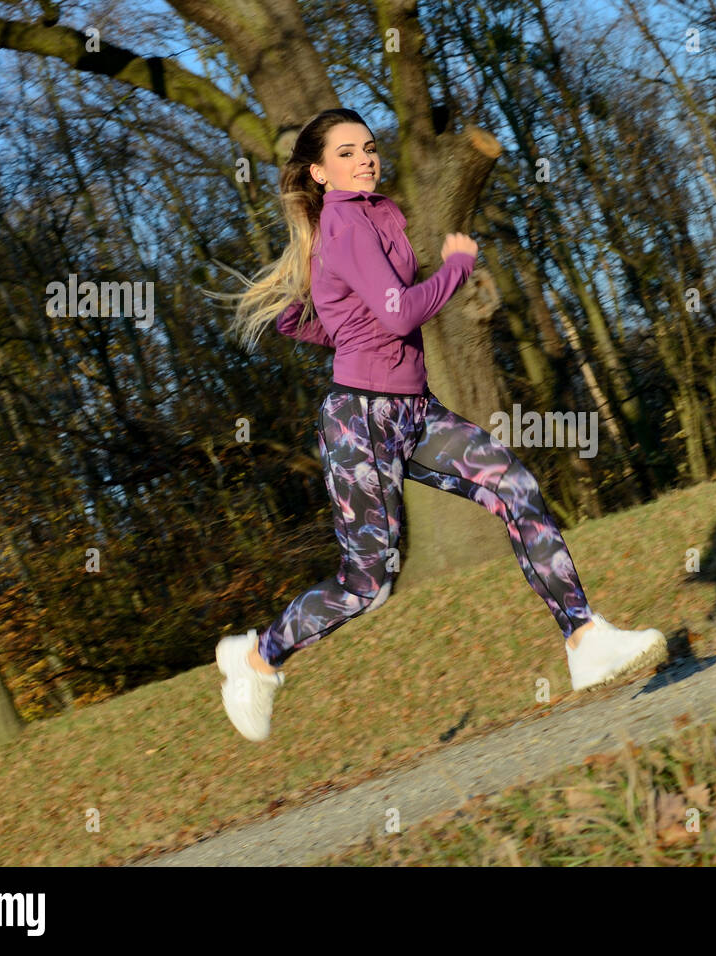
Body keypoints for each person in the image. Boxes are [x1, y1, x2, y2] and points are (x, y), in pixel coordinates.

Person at [212, 108, 666, 741]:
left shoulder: (377, 216)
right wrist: (456, 267)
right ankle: (258, 657)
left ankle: (584, 637)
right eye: (346, 153)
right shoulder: (344, 223)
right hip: (361, 424)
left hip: (413, 412)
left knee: (514, 486)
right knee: (368, 581)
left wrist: (320, 318)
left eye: (368, 148)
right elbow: (399, 315)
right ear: (319, 172)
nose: (365, 158)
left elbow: (344, 320)